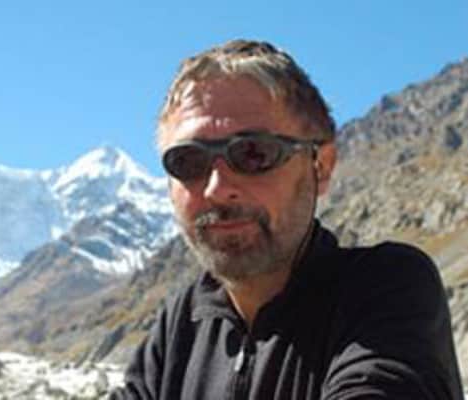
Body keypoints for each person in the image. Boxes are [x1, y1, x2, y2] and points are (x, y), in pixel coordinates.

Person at [109, 39, 463, 399]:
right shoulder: (181, 324)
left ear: (320, 166)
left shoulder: (385, 287)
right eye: (188, 162)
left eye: (253, 153)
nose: (217, 189)